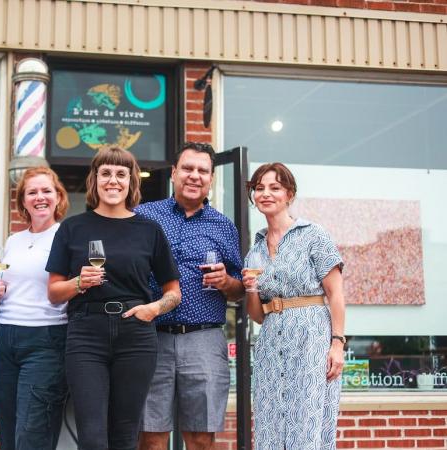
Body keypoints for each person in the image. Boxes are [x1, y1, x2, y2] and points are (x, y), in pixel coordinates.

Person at [46, 146, 181, 450]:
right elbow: (54, 293)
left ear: (132, 181)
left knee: (124, 434)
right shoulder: (72, 228)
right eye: (105, 173)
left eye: (121, 174)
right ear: (94, 179)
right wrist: (79, 282)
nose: (113, 180)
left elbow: (173, 292)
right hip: (85, 333)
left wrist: (152, 309)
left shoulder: (149, 230)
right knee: (92, 437)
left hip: (135, 333)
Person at [136, 142, 244, 450]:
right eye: (187, 168)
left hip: (204, 340)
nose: (194, 176)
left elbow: (240, 288)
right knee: (151, 436)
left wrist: (226, 281)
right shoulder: (143, 216)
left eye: (202, 171)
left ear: (211, 178)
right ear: (173, 173)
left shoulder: (224, 226)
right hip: (150, 335)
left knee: (200, 437)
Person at [242, 162, 345, 450]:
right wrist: (250, 290)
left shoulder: (314, 235)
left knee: (307, 416)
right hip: (271, 342)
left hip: (311, 337)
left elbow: (335, 293)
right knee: (269, 417)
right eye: (259, 188)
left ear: (289, 194)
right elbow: (257, 316)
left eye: (275, 188)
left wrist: (337, 344)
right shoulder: (256, 250)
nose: (266, 194)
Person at [0, 167, 70, 450]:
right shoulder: (13, 240)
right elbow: (8, 290)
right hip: (7, 338)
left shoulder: (67, 236)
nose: (40, 197)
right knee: (8, 430)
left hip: (46, 339)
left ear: (58, 197)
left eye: (46, 191)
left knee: (33, 432)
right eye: (31, 192)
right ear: (22, 201)